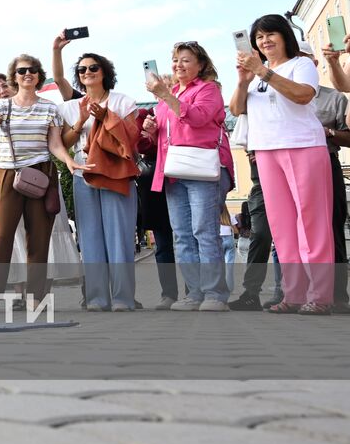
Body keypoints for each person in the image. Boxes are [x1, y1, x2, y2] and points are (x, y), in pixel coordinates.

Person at [232, 16, 333, 314]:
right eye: (259, 37)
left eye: (270, 34)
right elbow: (237, 108)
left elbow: (303, 96)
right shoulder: (255, 75)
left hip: (302, 146)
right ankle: (294, 294)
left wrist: (262, 71)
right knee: (283, 227)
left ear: (284, 36)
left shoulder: (300, 65)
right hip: (266, 151)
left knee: (311, 223)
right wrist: (243, 80)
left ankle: (321, 296)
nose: (265, 41)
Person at [0, 55, 83, 311]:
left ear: (39, 76)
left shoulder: (50, 108)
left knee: (38, 237)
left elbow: (55, 144)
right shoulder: (3, 106)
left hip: (41, 173)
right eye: (22, 70)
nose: (28, 74)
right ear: (14, 76)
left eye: (33, 71)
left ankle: (36, 296)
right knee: (2, 235)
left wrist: (68, 162)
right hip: (7, 173)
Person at [143, 41, 232, 312]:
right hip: (173, 171)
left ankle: (215, 294)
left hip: (204, 169)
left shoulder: (209, 89)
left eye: (185, 60)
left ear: (201, 65)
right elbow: (165, 133)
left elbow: (199, 118)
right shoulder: (167, 97)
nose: (178, 65)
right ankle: (194, 294)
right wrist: (151, 127)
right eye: (176, 60)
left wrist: (166, 96)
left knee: (204, 231)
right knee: (182, 234)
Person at [59, 53, 141, 311]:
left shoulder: (124, 101)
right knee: (90, 239)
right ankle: (96, 298)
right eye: (82, 69)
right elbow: (64, 143)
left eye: (93, 67)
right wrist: (82, 119)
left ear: (104, 71)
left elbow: (132, 139)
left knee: (120, 237)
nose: (87, 72)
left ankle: (123, 298)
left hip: (116, 174)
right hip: (84, 174)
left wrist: (106, 116)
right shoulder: (70, 107)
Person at [134, 105, 180, 308]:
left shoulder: (185, 108)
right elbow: (140, 144)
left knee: (190, 239)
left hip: (184, 173)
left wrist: (156, 138)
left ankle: (195, 291)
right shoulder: (146, 114)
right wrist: (156, 138)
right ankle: (169, 294)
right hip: (156, 183)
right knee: (163, 244)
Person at [312, 84, 349, 309]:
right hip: (290, 167)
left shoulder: (334, 97)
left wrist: (329, 132)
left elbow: (348, 136)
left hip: (327, 160)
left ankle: (338, 296)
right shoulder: (277, 93)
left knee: (333, 228)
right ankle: (295, 291)